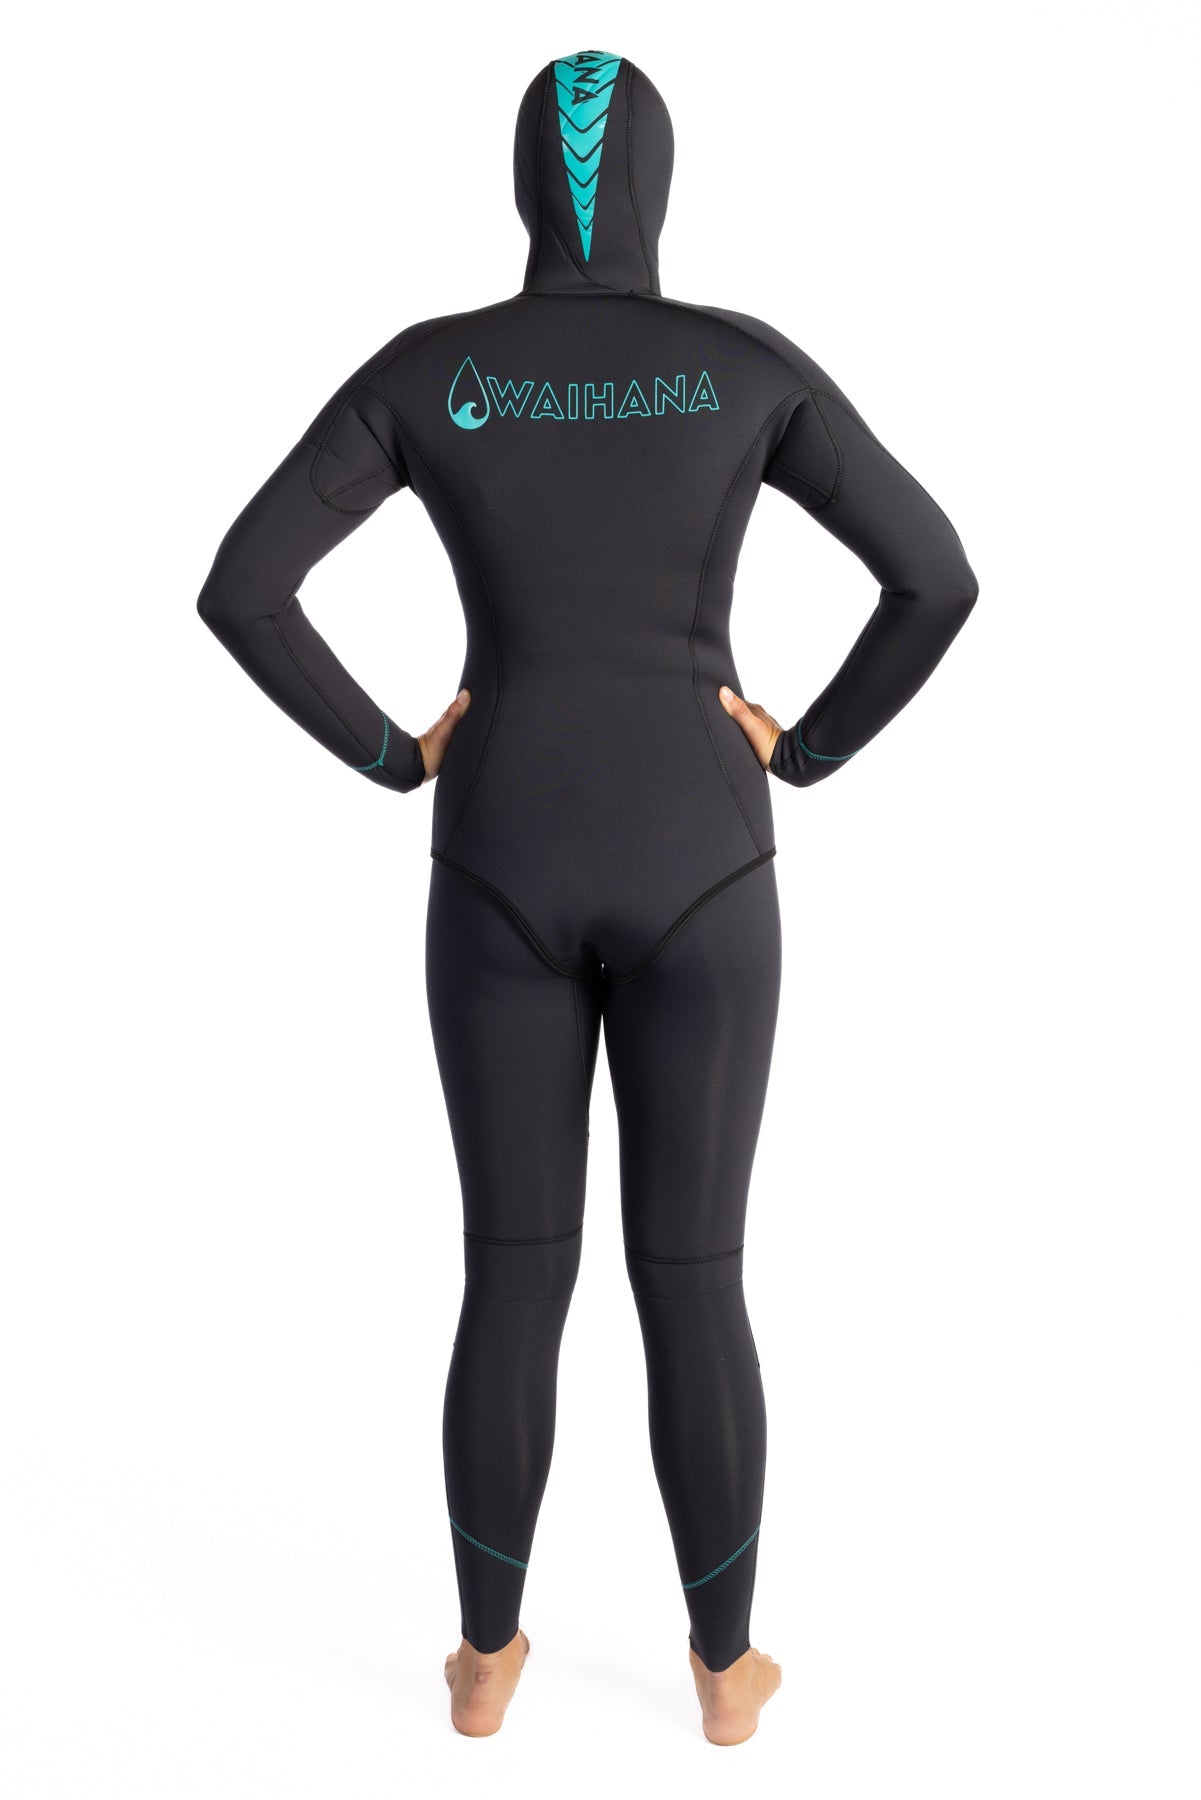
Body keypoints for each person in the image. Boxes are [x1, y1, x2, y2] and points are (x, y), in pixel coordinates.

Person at [195, 49, 979, 1745]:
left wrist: (399, 756)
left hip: (497, 860)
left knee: (511, 1271)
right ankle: (724, 1677)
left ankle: (484, 1664)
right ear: (659, 183)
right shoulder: (741, 366)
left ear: (521, 186)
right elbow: (934, 576)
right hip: (704, 862)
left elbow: (244, 589)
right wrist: (804, 749)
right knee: (692, 1275)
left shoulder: (434, 370)